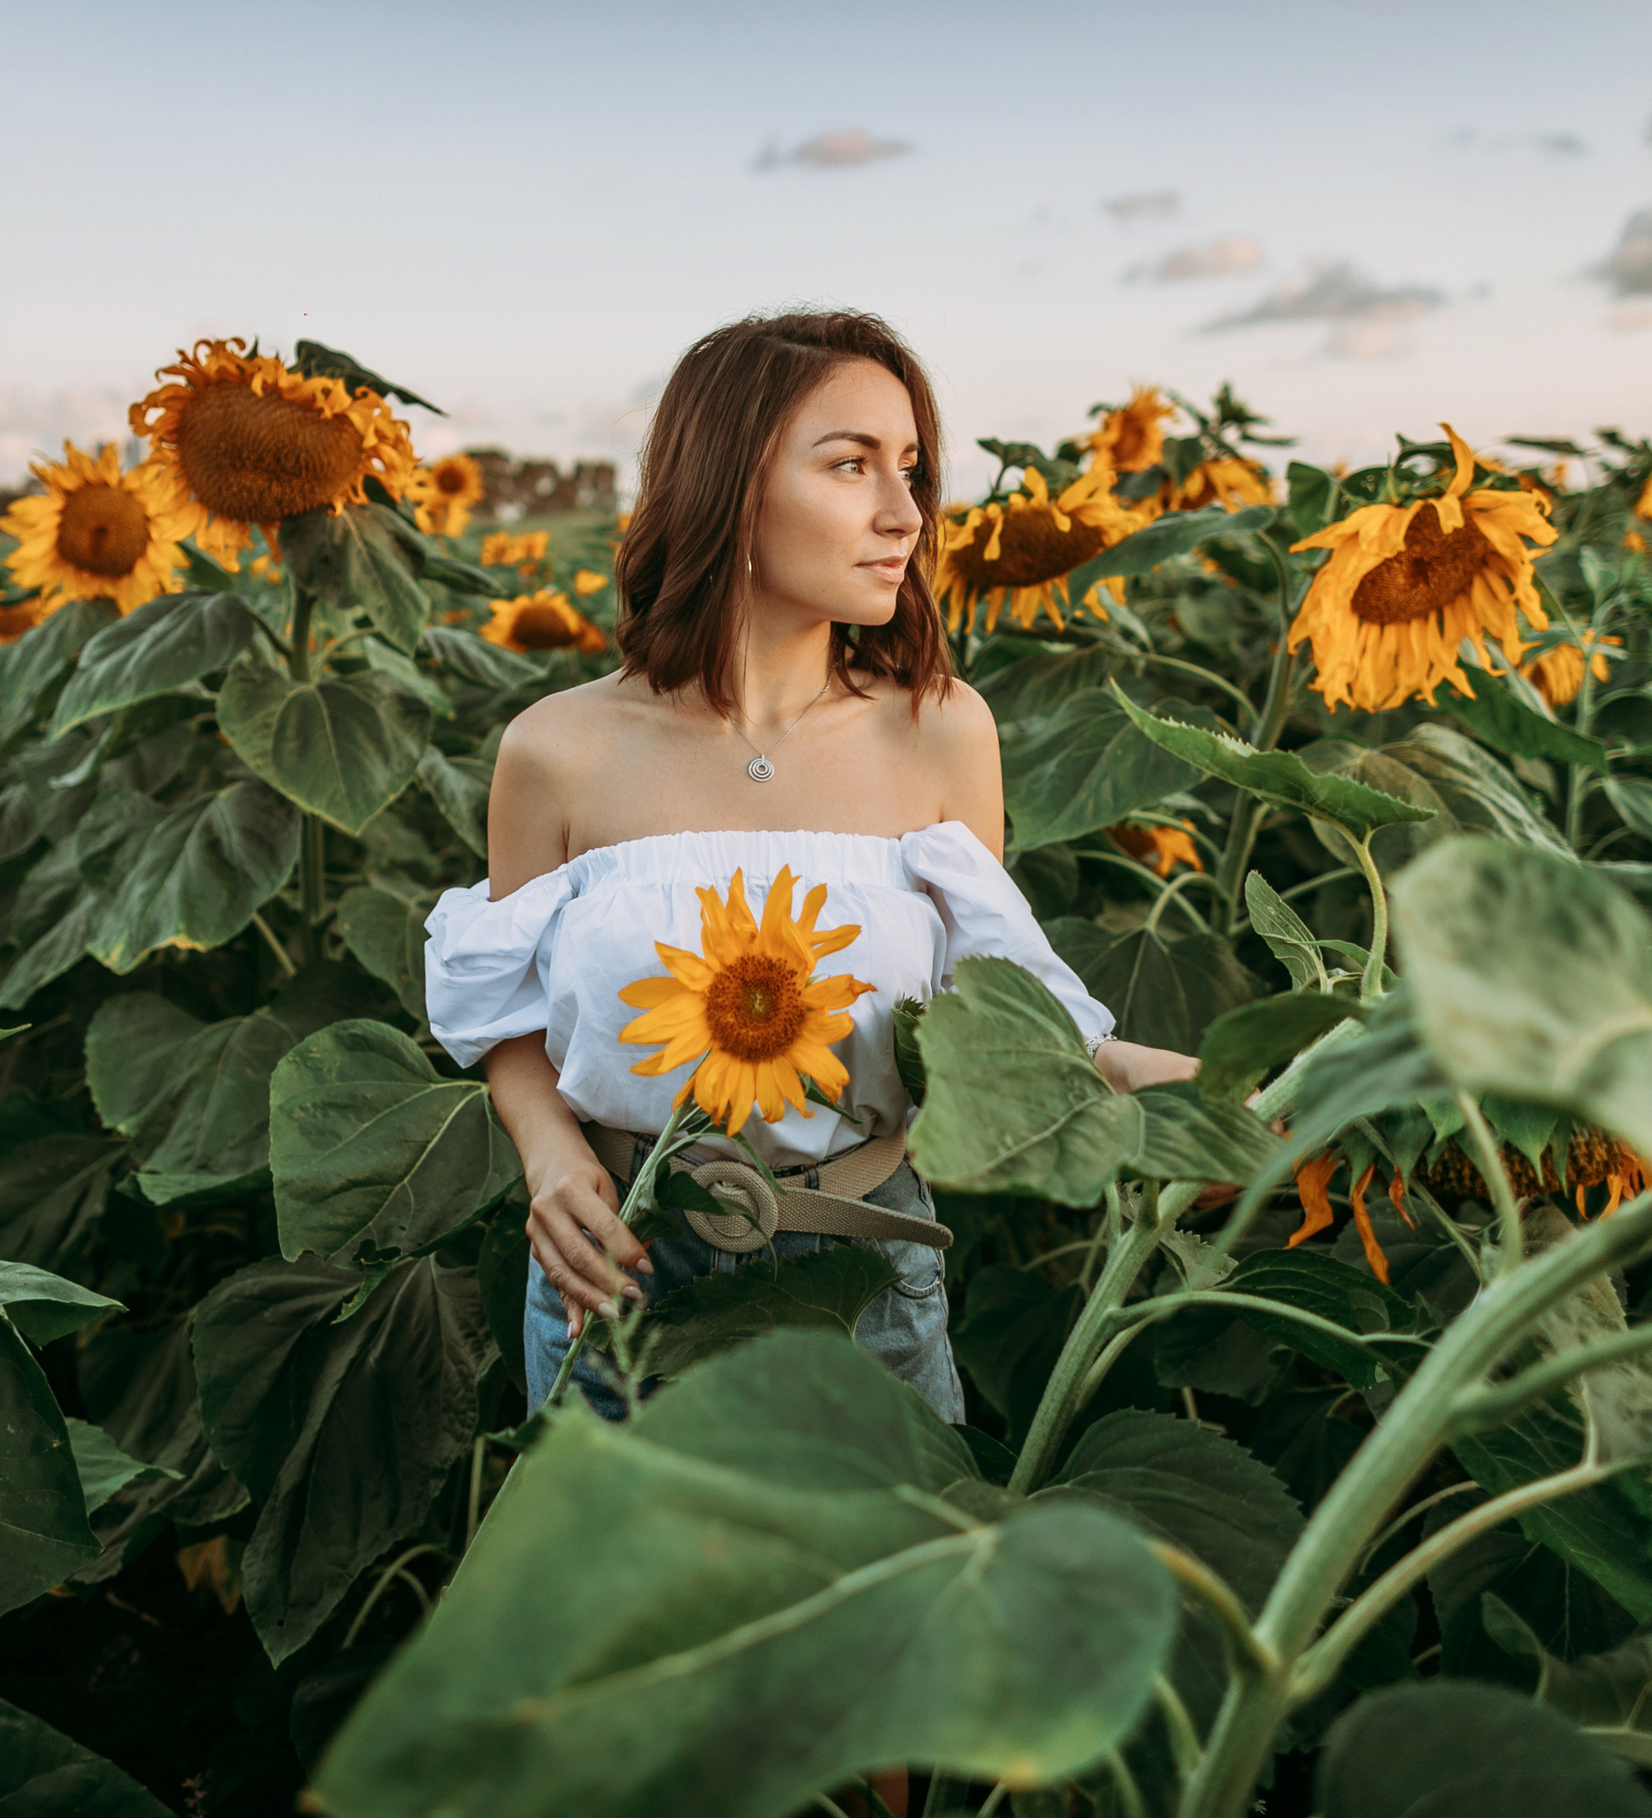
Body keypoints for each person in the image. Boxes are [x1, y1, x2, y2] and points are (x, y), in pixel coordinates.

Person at [423, 308, 1196, 1424]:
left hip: (861, 1286)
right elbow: (501, 1005)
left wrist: (1277, 1088)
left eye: (913, 471)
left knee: (878, 1599)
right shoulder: (557, 751)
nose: (905, 514)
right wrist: (549, 1159)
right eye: (850, 466)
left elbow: (1011, 1026)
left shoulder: (940, 732)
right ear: (729, 488)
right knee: (630, 1604)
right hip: (626, 1275)